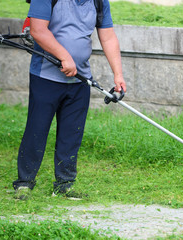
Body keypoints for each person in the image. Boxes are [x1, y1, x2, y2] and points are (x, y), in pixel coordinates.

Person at [13, 0, 126, 200]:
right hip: (45, 77)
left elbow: (107, 37)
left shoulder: (99, 2)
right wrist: (64, 56)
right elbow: (38, 30)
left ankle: (64, 184)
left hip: (80, 79)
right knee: (36, 130)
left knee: (72, 133)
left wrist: (118, 75)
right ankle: (24, 183)